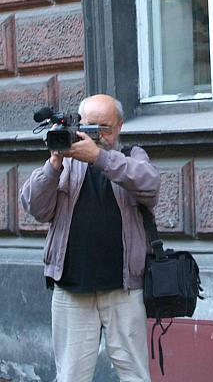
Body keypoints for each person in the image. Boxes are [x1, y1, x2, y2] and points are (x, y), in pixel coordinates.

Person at [21, 94, 161, 382]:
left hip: (123, 288)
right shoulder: (65, 163)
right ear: (78, 124)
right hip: (72, 289)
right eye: (90, 127)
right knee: (71, 376)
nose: (97, 135)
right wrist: (54, 162)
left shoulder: (132, 156)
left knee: (135, 374)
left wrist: (100, 158)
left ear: (119, 126)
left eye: (104, 128)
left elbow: (150, 185)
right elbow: (35, 207)